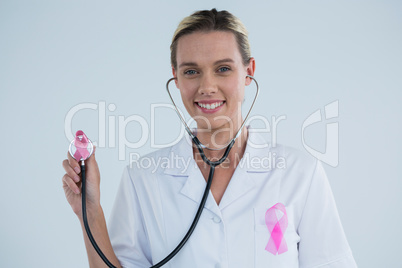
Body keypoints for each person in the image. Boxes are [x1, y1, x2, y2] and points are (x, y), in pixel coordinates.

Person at [62, 8, 357, 268]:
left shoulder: (300, 173)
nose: (207, 86)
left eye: (223, 69)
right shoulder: (143, 179)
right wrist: (90, 210)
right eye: (191, 71)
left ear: (248, 72)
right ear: (176, 78)